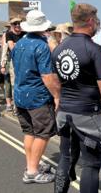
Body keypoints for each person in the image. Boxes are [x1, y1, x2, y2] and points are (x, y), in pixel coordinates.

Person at [53, 3, 101, 193]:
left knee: (66, 157)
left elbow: (54, 81)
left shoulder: (59, 49)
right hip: (87, 113)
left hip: (64, 112)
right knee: (91, 163)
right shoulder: (94, 50)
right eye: (97, 21)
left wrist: (59, 100)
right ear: (91, 21)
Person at [11, 10, 60, 184]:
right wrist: (57, 95)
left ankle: (32, 165)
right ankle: (32, 171)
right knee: (43, 133)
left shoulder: (18, 44)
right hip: (37, 96)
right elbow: (47, 76)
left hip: (19, 94)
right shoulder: (42, 45)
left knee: (29, 132)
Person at [1, 17, 26, 112]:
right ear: (12, 25)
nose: (18, 25)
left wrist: (17, 44)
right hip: (13, 62)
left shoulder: (25, 34)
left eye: (19, 23)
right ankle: (16, 106)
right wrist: (2, 65)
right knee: (14, 84)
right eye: (15, 23)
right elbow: (12, 48)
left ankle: (23, 104)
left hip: (25, 62)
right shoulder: (9, 34)